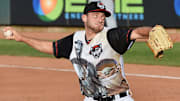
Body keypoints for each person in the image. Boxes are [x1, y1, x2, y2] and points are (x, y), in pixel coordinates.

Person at [3, 1, 152, 101]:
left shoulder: (111, 35)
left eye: (102, 16)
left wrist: (152, 30)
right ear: (84, 18)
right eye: (96, 15)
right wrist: (21, 37)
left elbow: (137, 33)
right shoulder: (75, 40)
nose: (100, 19)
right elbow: (50, 47)